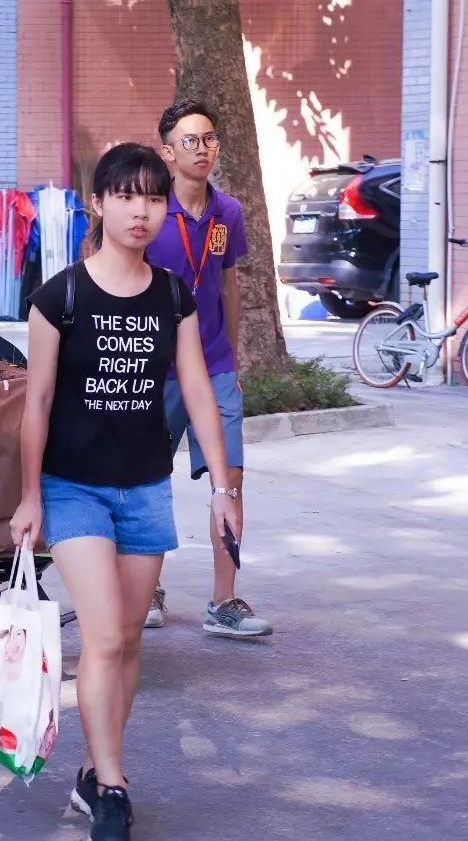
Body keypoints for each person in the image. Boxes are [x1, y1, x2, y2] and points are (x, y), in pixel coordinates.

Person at [10, 143, 239, 841]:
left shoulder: (172, 295)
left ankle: (93, 769)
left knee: (128, 640)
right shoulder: (60, 297)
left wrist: (222, 486)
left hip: (144, 487)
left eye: (154, 198)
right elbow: (36, 402)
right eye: (126, 196)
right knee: (105, 633)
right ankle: (113, 784)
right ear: (99, 204)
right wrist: (29, 495)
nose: (141, 211)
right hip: (72, 487)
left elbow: (196, 387)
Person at [143, 98, 272, 637]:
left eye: (210, 138)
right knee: (147, 479)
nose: (203, 149)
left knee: (230, 479)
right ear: (167, 152)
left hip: (214, 363)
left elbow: (228, 284)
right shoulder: (149, 210)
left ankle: (224, 601)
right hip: (155, 367)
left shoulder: (228, 212)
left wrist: (232, 357)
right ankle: (146, 589)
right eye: (190, 141)